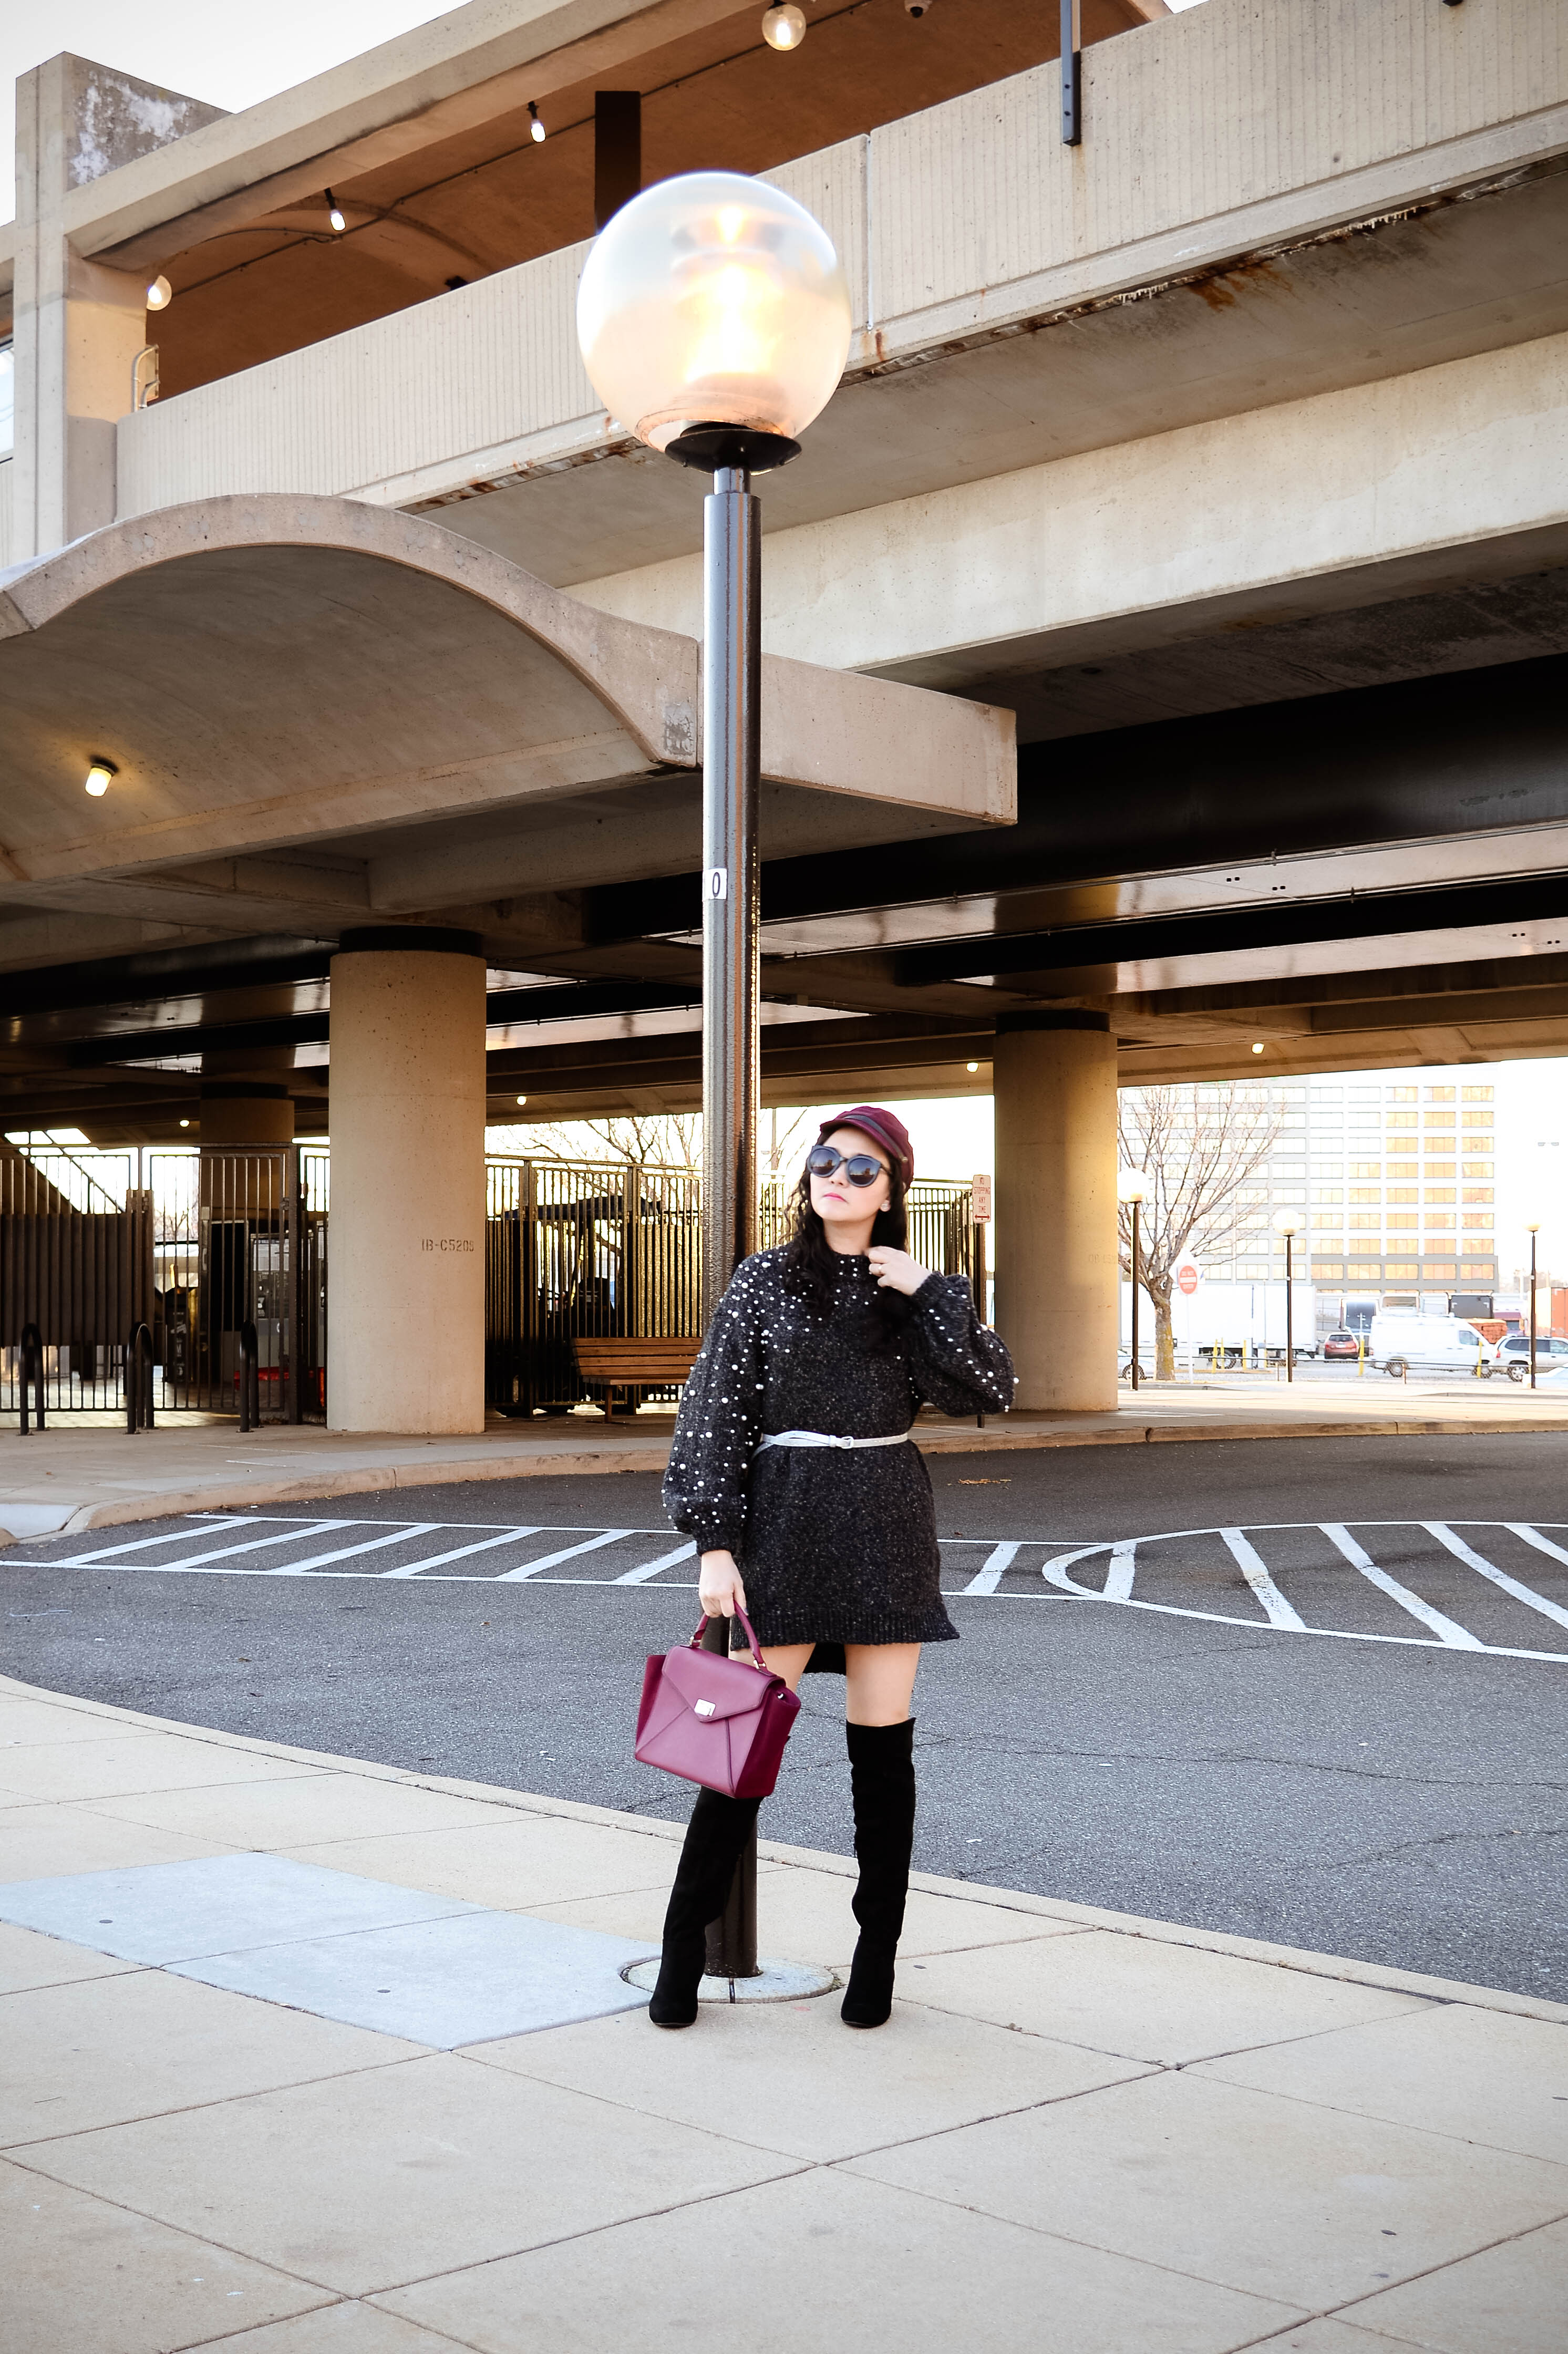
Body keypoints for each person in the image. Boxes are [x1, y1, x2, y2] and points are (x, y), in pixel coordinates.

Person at [652, 1105, 1015, 2029]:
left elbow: (990, 1393)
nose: (837, 1180)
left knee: (881, 1762)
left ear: (892, 1189)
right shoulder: (763, 1280)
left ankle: (876, 1967)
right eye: (825, 1162)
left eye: (861, 1170)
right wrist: (715, 1544)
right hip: (785, 1520)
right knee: (739, 1754)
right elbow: (715, 1415)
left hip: (887, 1521)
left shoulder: (920, 1290)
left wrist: (931, 1290)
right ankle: (678, 1962)